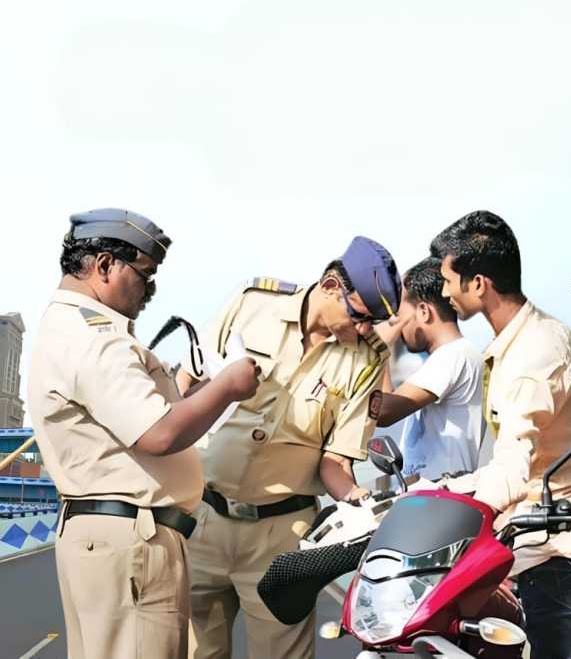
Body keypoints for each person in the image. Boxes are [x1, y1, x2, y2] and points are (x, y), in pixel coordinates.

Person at [28, 209, 260, 659]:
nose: (150, 291)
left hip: (118, 535)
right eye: (145, 275)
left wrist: (198, 392)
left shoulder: (76, 329)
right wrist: (231, 384)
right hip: (132, 539)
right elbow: (157, 433)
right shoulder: (94, 337)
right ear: (104, 266)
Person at [179, 236, 399, 659]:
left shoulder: (368, 359)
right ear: (333, 285)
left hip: (281, 537)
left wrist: (362, 505)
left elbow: (335, 461)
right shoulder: (251, 303)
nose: (366, 329)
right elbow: (187, 381)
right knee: (194, 651)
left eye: (373, 323)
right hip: (203, 519)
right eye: (362, 316)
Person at [428, 210, 571, 659]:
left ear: (478, 283)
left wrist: (453, 519)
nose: (444, 292)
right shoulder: (537, 334)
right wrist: (443, 489)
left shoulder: (528, 358)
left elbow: (515, 468)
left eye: (448, 280)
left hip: (559, 546)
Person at [372, 256, 489, 480]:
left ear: (424, 311)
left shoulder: (453, 355)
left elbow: (383, 411)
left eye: (399, 314)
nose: (394, 323)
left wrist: (379, 349)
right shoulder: (452, 356)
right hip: (434, 498)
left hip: (441, 498)